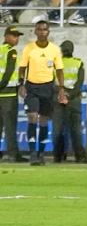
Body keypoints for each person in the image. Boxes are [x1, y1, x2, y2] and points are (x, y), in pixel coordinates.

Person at [17, 19, 67, 166]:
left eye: (44, 29)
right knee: (32, 117)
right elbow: (22, 67)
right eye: (39, 29)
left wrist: (61, 88)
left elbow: (59, 70)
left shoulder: (54, 49)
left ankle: (42, 153)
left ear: (48, 31)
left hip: (47, 87)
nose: (42, 32)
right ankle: (32, 153)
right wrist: (21, 84)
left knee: (44, 120)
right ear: (35, 31)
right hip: (31, 87)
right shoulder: (29, 48)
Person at [51, 39, 87, 164]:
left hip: (58, 97)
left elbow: (50, 81)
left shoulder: (55, 63)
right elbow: (79, 83)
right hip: (73, 99)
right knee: (75, 130)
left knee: (58, 130)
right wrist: (70, 95)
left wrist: (61, 93)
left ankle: (58, 156)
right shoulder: (78, 63)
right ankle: (80, 156)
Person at [0, 26, 20, 162]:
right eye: (14, 36)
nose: (16, 39)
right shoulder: (11, 51)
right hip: (8, 94)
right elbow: (9, 71)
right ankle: (13, 154)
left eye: (18, 36)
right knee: (10, 126)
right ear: (6, 36)